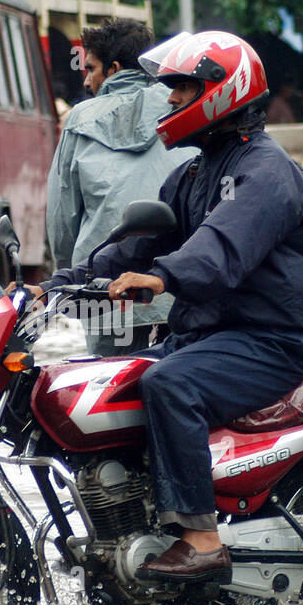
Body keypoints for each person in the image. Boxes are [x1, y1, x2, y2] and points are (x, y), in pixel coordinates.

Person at [23, 31, 303, 584]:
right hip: (211, 334)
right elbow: (131, 248)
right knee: (107, 379)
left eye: (182, 88)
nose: (168, 100)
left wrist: (161, 277)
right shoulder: (193, 174)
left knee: (172, 385)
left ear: (224, 91)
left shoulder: (263, 172)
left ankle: (200, 538)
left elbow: (220, 248)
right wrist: (55, 286)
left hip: (271, 339)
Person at [47, 19, 196, 354]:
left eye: (91, 70)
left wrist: (70, 279)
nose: (86, 81)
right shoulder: (185, 108)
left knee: (106, 388)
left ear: (113, 69)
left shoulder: (79, 120)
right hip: (178, 285)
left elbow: (62, 216)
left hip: (104, 288)